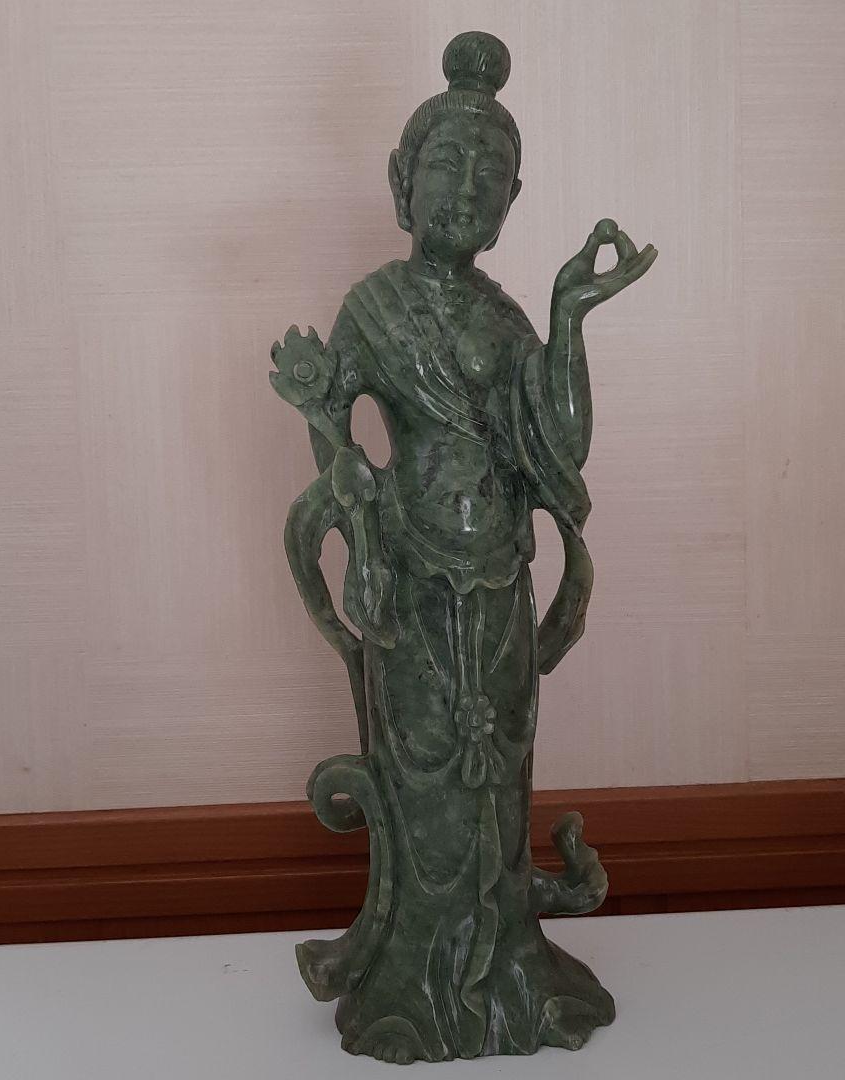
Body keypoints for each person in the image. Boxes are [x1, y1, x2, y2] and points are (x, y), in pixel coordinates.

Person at [270, 30, 656, 1064]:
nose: (467, 187)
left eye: (491, 174)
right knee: (424, 772)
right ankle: (414, 979)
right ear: (402, 180)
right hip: (410, 577)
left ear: (511, 201)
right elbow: (333, 422)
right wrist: (351, 490)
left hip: (499, 586)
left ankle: (504, 972)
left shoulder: (505, 316)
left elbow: (558, 446)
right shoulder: (374, 305)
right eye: (448, 161)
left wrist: (569, 317)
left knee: (498, 778)